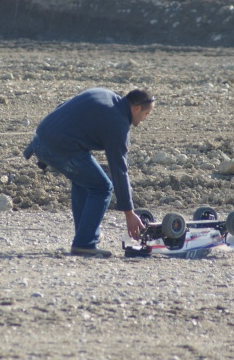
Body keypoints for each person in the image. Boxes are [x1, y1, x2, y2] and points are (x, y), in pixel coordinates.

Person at [23, 88, 154, 258]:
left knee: (84, 182)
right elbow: (119, 170)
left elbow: (63, 108)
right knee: (102, 187)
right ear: (136, 108)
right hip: (57, 147)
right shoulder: (118, 124)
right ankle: (85, 243)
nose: (146, 118)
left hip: (41, 139)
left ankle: (84, 234)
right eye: (147, 113)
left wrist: (45, 146)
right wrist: (129, 213)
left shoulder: (105, 94)